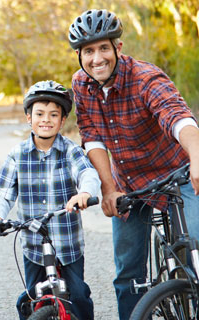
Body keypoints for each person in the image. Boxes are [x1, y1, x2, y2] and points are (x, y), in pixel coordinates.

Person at [68, 9, 199, 320]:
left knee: (194, 243)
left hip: (177, 174)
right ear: (79, 55)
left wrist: (196, 157)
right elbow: (92, 136)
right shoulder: (81, 84)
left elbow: (177, 117)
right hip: (129, 182)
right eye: (88, 51)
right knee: (128, 272)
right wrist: (108, 188)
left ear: (118, 48)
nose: (96, 58)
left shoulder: (146, 77)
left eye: (103, 48)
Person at [0, 80, 100, 320]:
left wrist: (84, 193)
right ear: (29, 117)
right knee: (29, 299)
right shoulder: (17, 155)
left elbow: (87, 173)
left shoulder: (70, 151)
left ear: (62, 120)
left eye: (53, 114)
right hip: (33, 246)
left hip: (68, 245)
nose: (46, 119)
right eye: (39, 114)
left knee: (77, 296)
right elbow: (3, 193)